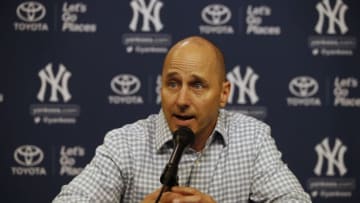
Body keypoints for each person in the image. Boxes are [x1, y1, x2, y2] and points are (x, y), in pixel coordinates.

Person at [53, 36, 311, 203]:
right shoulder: (125, 143)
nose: (181, 99)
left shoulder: (252, 139)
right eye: (173, 83)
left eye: (197, 85)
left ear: (223, 94)